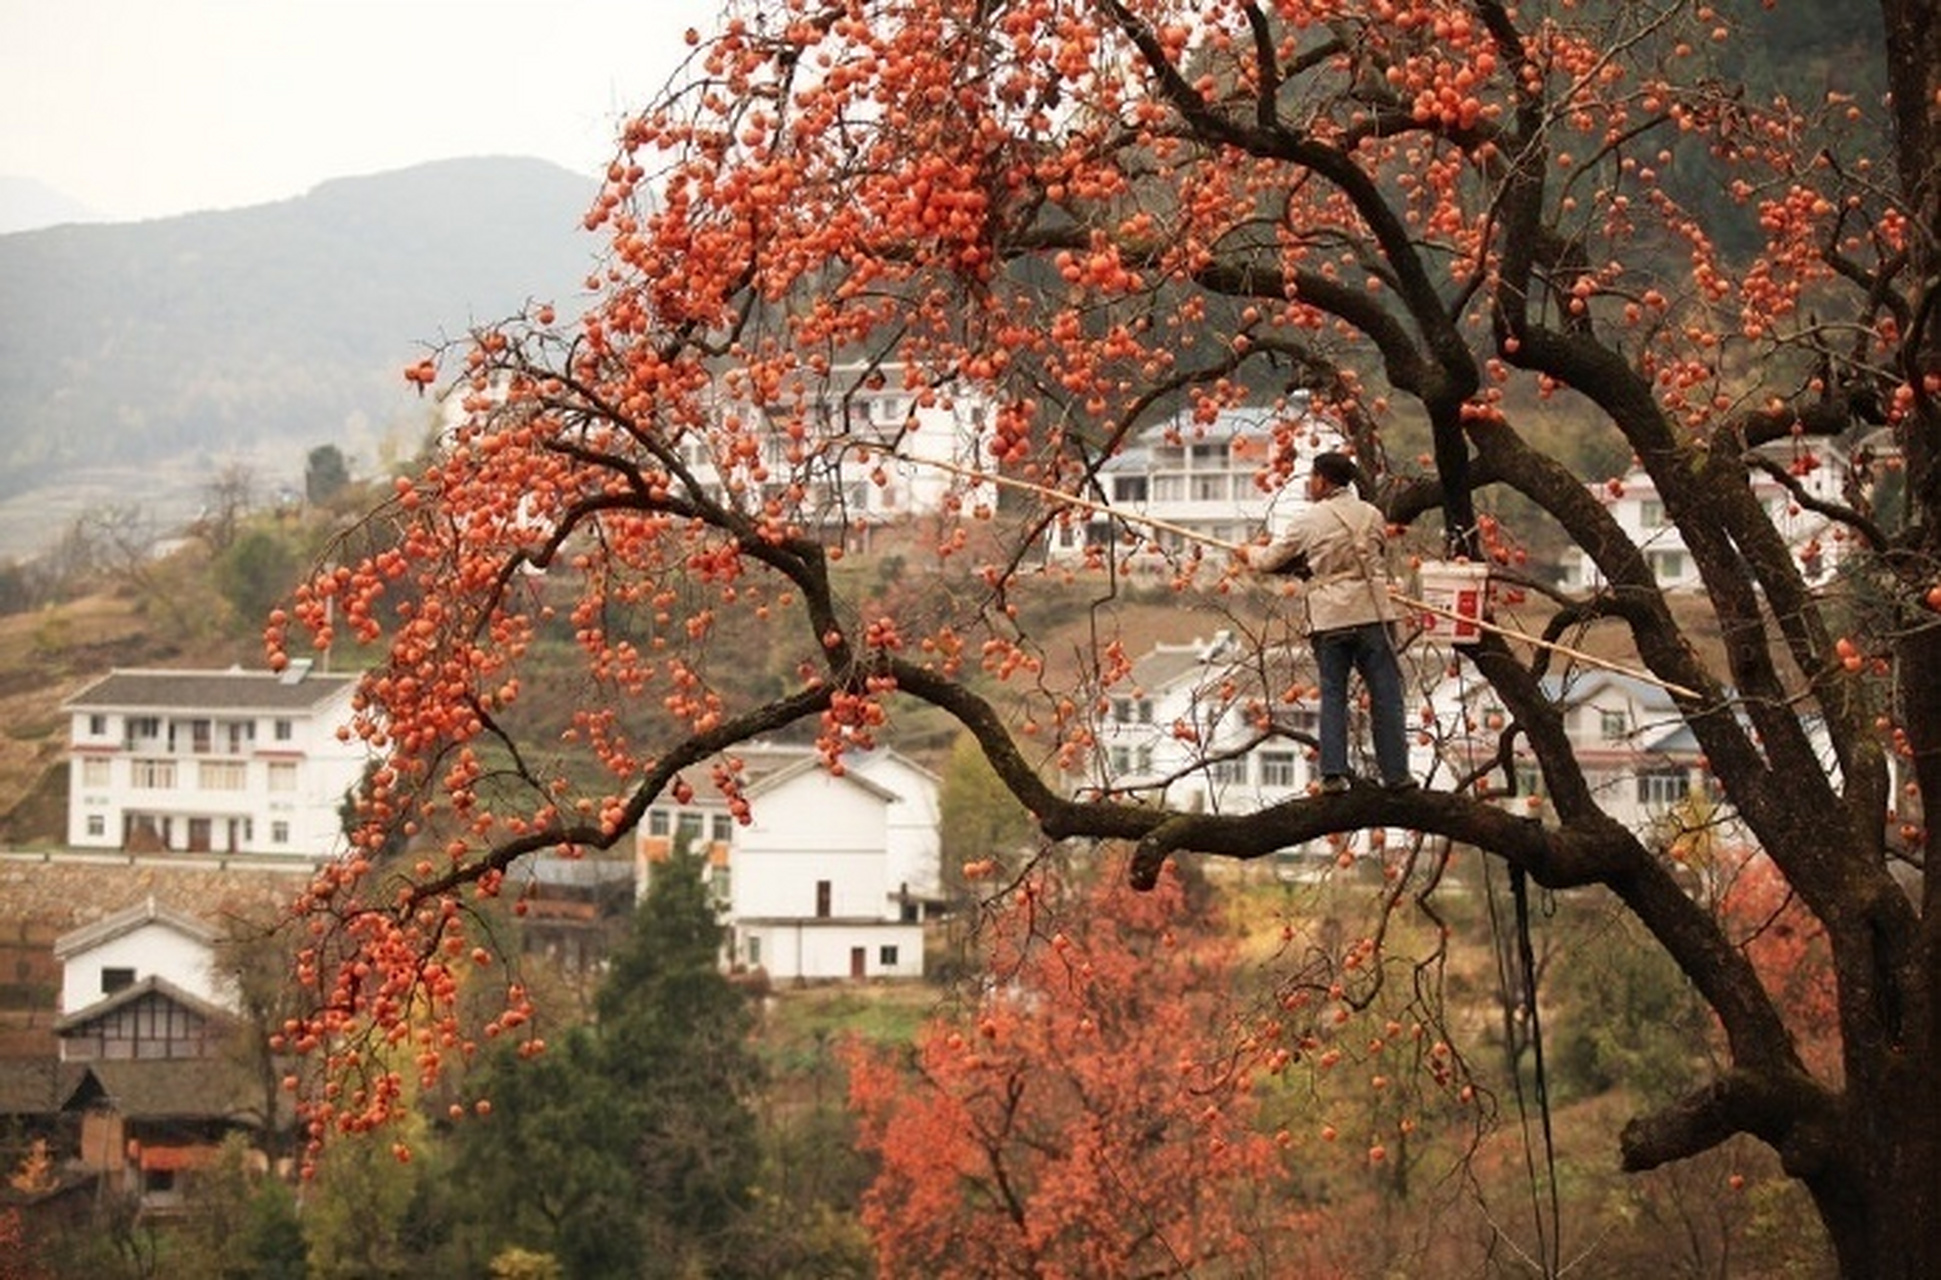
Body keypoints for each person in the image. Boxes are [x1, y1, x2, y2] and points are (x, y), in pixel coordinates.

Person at [1254, 451, 1415, 794]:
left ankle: (1332, 775)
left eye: (1312, 478)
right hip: (1374, 614)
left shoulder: (1310, 519)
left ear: (1323, 481)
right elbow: (1374, 557)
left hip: (1331, 619)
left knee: (1333, 695)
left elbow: (1269, 560)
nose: (1309, 485)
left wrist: (1247, 554)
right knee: (1386, 695)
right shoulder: (1372, 515)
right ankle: (1397, 775)